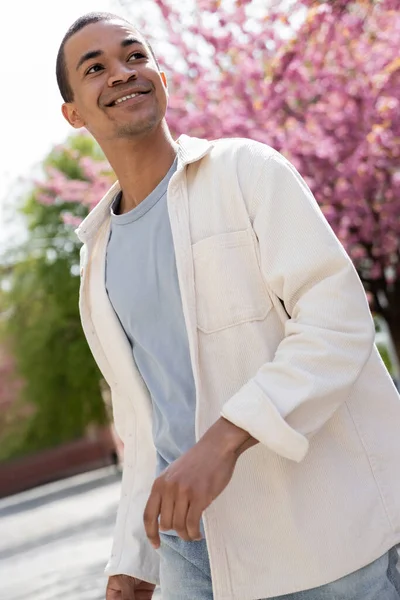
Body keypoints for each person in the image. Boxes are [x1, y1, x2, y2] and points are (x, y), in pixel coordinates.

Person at [56, 11, 400, 600]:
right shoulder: (98, 256)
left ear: (162, 78)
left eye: (135, 56)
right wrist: (134, 558)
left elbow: (337, 322)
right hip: (189, 553)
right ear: (74, 114)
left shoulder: (247, 170)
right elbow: (144, 424)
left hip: (322, 537)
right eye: (95, 68)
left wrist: (223, 441)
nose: (121, 73)